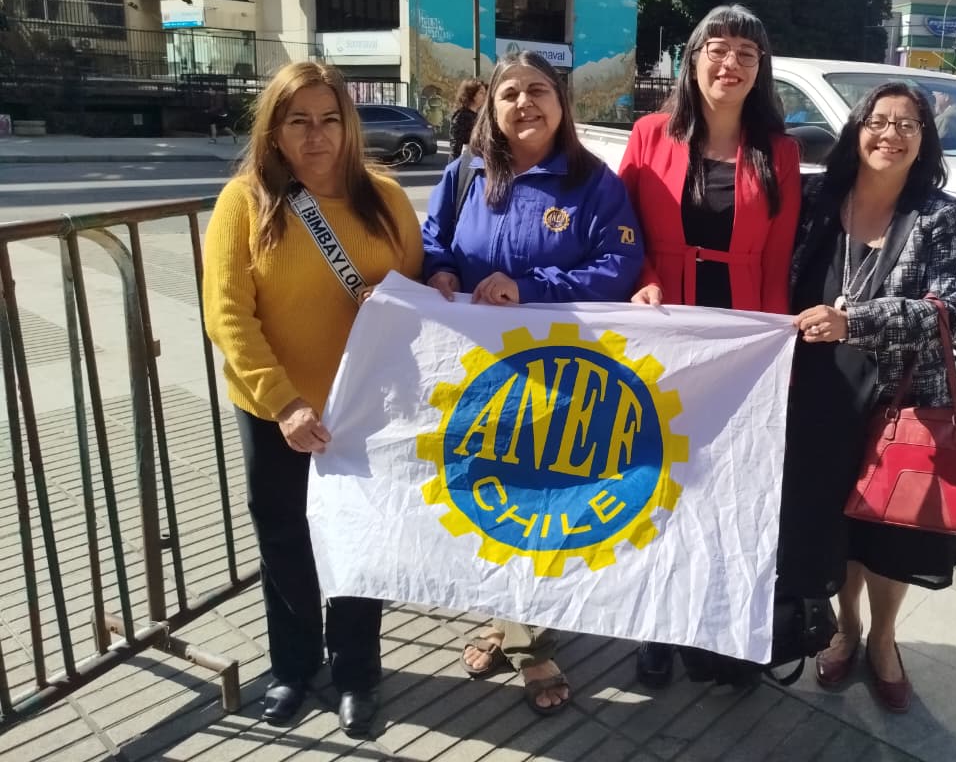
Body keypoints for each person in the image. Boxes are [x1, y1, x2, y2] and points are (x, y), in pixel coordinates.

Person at [203, 61, 424, 735]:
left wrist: (390, 303)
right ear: (274, 131)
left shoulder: (384, 197)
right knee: (286, 541)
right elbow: (228, 314)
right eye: (298, 121)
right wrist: (284, 402)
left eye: (330, 119)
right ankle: (293, 667)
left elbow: (413, 292)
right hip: (275, 411)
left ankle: (356, 671)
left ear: (348, 126)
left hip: (360, 409)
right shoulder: (243, 202)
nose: (317, 135)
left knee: (359, 541)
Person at [421, 50, 644, 716]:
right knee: (490, 501)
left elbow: (619, 264)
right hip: (482, 379)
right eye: (510, 92)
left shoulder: (593, 183)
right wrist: (440, 274)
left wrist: (531, 288)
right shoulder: (465, 175)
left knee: (546, 505)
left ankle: (527, 640)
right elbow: (433, 238)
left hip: (562, 379)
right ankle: (504, 619)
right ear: (490, 105)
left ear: (562, 104)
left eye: (539, 90)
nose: (525, 103)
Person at [618, 2, 801, 688]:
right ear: (691, 61)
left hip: (742, 338)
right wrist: (642, 282)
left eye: (746, 55)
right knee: (658, 482)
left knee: (729, 488)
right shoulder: (647, 135)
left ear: (761, 71)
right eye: (717, 50)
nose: (731, 64)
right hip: (666, 331)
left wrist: (777, 351)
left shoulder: (778, 150)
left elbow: (779, 258)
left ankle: (720, 631)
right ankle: (653, 627)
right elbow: (623, 231)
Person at [791, 81, 956, 714]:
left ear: (924, 141)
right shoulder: (816, 198)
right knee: (837, 527)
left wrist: (856, 320)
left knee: (893, 533)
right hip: (819, 396)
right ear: (857, 128)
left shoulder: (941, 216)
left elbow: (945, 308)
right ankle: (848, 627)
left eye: (908, 124)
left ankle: (886, 639)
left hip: (901, 400)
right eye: (879, 120)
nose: (891, 134)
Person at [448, 77, 487, 159]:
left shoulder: (480, 115)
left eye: (485, 93)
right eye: (481, 93)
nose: (485, 96)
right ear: (472, 95)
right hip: (466, 163)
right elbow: (455, 147)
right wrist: (456, 169)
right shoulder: (461, 116)